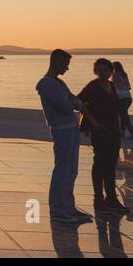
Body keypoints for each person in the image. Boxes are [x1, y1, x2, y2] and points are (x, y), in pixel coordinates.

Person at [36, 49, 93, 224]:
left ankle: (68, 207)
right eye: (66, 64)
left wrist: (75, 102)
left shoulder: (59, 83)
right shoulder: (48, 84)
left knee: (71, 171)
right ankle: (58, 209)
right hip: (62, 130)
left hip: (71, 129)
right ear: (56, 62)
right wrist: (75, 103)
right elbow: (68, 105)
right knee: (62, 170)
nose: (67, 68)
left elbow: (74, 101)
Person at [76, 57, 127, 214]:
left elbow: (116, 108)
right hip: (100, 131)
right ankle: (98, 198)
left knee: (111, 164)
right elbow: (78, 102)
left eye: (105, 69)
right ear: (95, 71)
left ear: (111, 71)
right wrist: (92, 121)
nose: (102, 72)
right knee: (99, 164)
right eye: (99, 69)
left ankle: (111, 198)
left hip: (113, 130)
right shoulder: (93, 86)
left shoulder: (112, 86)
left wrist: (120, 125)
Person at [112, 62, 133, 140]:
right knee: (122, 114)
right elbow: (129, 87)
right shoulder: (125, 74)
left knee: (124, 115)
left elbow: (113, 86)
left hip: (121, 98)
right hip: (128, 97)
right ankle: (123, 132)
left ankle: (131, 132)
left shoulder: (115, 75)